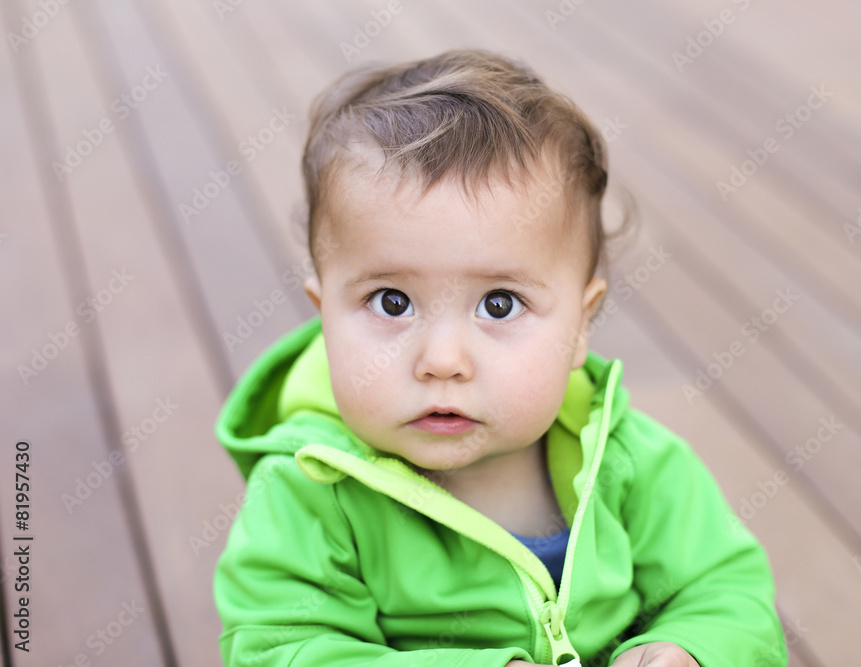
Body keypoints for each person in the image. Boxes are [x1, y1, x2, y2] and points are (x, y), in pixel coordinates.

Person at [213, 49, 787, 667]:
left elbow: (725, 589)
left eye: (499, 304)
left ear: (581, 325)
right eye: (392, 301)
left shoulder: (627, 460)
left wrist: (689, 650)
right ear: (324, 315)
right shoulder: (308, 490)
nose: (442, 360)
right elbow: (281, 650)